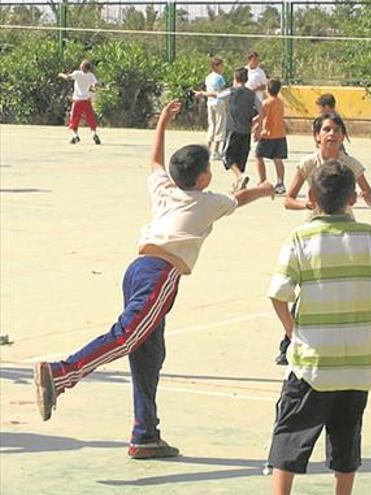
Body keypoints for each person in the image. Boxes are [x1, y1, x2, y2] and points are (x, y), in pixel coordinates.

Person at [32, 101, 275, 458]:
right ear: (204, 177)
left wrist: (162, 120)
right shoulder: (207, 200)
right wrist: (267, 188)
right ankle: (61, 373)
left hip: (136, 269)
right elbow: (239, 197)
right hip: (159, 275)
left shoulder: (165, 188)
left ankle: (145, 435)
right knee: (127, 336)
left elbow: (155, 161)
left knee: (149, 356)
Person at [266, 163, 371, 495]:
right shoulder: (368, 235)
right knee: (346, 442)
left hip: (312, 367)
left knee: (289, 437)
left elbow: (278, 295)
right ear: (353, 197)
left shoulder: (300, 238)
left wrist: (292, 330)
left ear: (311, 197)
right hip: (356, 367)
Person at [276, 113, 371, 364]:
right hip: (314, 230)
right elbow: (288, 200)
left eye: (336, 130)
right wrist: (306, 204)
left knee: (342, 288)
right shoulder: (309, 163)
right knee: (307, 289)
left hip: (344, 231)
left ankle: (344, 343)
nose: (331, 134)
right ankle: (288, 342)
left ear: (343, 136)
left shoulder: (350, 164)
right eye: (326, 130)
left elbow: (369, 194)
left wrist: (370, 198)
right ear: (317, 136)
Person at [219, 67, 261, 191]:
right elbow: (261, 109)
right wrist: (256, 122)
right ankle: (238, 184)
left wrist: (203, 94)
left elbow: (218, 96)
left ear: (235, 78)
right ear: (246, 79)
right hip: (246, 131)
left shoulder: (231, 91)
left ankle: (240, 176)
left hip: (233, 129)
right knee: (241, 157)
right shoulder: (252, 94)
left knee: (227, 156)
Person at [254, 78, 288, 196]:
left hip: (267, 134)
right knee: (278, 159)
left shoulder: (266, 103)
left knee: (258, 156)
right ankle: (280, 183)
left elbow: (261, 118)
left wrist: (256, 131)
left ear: (267, 90)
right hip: (280, 134)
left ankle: (263, 181)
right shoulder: (280, 102)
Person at [58, 60, 102, 145]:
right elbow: (96, 85)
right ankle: (94, 134)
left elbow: (68, 77)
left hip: (78, 100)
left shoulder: (77, 73)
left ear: (83, 67)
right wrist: (99, 86)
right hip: (87, 101)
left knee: (74, 119)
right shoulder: (91, 76)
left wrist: (61, 74)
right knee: (91, 119)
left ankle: (75, 136)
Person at [203, 57, 227, 161]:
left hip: (210, 103)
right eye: (221, 65)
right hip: (219, 103)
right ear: (216, 66)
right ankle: (215, 151)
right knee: (219, 126)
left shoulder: (208, 77)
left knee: (211, 126)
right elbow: (222, 92)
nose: (222, 68)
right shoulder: (220, 78)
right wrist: (227, 104)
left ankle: (207, 150)